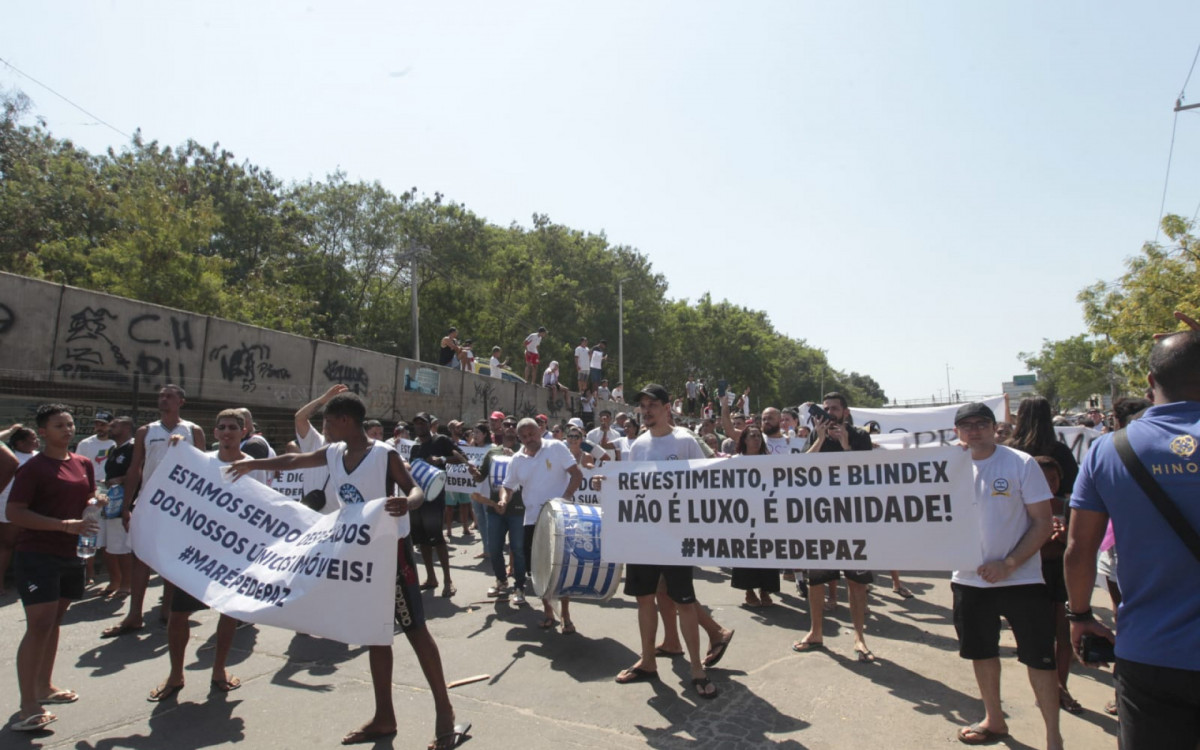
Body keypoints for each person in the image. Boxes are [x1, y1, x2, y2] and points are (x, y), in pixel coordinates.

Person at [229, 392, 467, 748]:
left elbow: (415, 489)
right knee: (374, 633)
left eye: (327, 422)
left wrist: (407, 503)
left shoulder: (383, 454)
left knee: (415, 630)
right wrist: (252, 466)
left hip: (392, 553)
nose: (323, 428)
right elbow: (295, 460)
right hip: (358, 556)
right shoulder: (334, 453)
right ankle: (384, 716)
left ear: (344, 421)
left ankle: (444, 713)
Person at [1065, 331, 1200, 750]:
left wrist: (1080, 614)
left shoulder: (1108, 451)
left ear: (1150, 381)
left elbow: (1079, 550)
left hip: (1150, 651)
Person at [948, 402, 1059, 749]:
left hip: (1021, 579)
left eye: (981, 423)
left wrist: (1009, 564)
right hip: (969, 579)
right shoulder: (945, 466)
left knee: (1039, 657)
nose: (974, 430)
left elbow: (1043, 522)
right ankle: (994, 719)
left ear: (995, 427)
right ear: (956, 431)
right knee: (981, 653)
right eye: (967, 425)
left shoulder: (1020, 463)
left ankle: (1053, 737)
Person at [149, 410, 271, 702]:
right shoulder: (200, 461)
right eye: (222, 427)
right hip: (196, 551)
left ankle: (219, 670)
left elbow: (265, 508)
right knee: (178, 614)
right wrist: (178, 452)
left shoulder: (254, 468)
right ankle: (175, 674)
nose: (227, 432)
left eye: (233, 427)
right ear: (215, 433)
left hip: (233, 553)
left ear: (244, 432)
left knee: (228, 613)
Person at [615, 384, 718, 699]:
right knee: (644, 598)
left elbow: (706, 481)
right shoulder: (638, 445)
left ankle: (697, 669)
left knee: (684, 601)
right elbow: (631, 486)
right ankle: (647, 661)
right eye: (642, 406)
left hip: (676, 534)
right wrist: (608, 483)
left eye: (652, 405)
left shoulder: (685, 441)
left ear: (667, 407)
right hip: (643, 534)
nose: (646, 411)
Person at [6, 404, 99, 732]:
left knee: (54, 621)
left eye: (70, 424)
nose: (68, 429)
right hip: (37, 554)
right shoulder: (33, 468)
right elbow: (15, 512)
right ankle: (27, 706)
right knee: (39, 624)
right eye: (59, 425)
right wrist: (62, 525)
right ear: (43, 432)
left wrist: (96, 502)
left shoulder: (83, 463)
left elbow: (89, 496)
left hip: (72, 553)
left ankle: (44, 687)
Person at [102, 385, 205, 639]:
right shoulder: (146, 431)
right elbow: (135, 468)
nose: (163, 399)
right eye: (160, 396)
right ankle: (134, 614)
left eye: (169, 396)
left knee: (171, 558)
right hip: (149, 503)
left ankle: (167, 609)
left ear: (181, 401)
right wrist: (127, 506)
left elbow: (202, 469)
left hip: (180, 506)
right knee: (141, 557)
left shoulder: (193, 430)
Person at [794, 392, 878, 658]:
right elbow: (800, 468)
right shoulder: (815, 434)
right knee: (816, 579)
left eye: (834, 409)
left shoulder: (860, 436)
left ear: (845, 412)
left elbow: (864, 473)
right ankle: (815, 632)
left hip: (852, 517)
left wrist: (845, 446)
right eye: (826, 408)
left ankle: (859, 637)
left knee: (856, 581)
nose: (829, 413)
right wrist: (820, 439)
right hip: (820, 518)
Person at [499, 418, 583, 631]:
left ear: (540, 431)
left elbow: (576, 475)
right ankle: (548, 613)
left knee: (562, 568)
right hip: (532, 521)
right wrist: (503, 500)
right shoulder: (516, 459)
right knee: (539, 570)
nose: (529, 439)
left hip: (561, 518)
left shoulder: (556, 447)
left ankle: (565, 615)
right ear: (519, 438)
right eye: (524, 436)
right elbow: (507, 486)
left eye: (532, 434)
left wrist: (564, 499)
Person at [1031, 456, 1080, 714]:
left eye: (1054, 479)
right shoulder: (1023, 505)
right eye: (1043, 479)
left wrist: (1063, 537)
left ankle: (1062, 686)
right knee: (1042, 635)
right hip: (1035, 574)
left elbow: (1081, 542)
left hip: (1062, 573)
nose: (1049, 485)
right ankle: (1046, 689)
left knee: (1064, 632)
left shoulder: (1069, 506)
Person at [729, 425, 779, 607]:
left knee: (767, 552)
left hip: (766, 513)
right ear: (744, 440)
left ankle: (765, 590)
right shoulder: (735, 461)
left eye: (759, 436)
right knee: (746, 553)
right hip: (743, 515)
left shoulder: (769, 460)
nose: (756, 439)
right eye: (752, 436)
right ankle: (749, 591)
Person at [1006, 396, 1079, 496]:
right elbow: (1072, 486)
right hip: (1052, 505)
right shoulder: (1061, 451)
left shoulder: (1007, 450)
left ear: (1020, 416)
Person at [99, 417, 135, 599]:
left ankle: (126, 584)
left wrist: (121, 480)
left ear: (127, 427)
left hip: (125, 502)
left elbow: (139, 472)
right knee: (108, 545)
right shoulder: (114, 449)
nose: (109, 427)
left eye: (114, 425)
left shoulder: (134, 447)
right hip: (110, 501)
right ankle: (115, 581)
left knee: (122, 547)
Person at [0, 426, 38, 597]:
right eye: (32, 438)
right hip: (9, 505)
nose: (37, 441)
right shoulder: (11, 457)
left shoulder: (39, 456)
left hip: (33, 507)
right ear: (20, 443)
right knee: (7, 545)